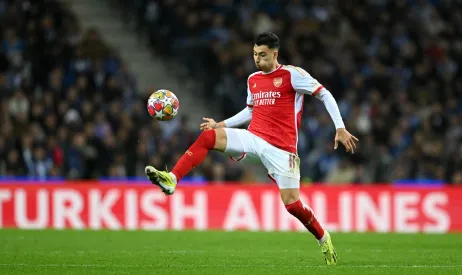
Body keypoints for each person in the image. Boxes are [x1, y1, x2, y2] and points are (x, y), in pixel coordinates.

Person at [145, 32, 359, 265]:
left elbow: (324, 94)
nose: (258, 59)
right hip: (254, 136)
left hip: (282, 149)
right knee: (208, 137)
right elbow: (250, 111)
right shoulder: (253, 79)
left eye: (263, 55)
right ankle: (172, 178)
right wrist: (221, 124)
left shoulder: (293, 75)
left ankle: (322, 237)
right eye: (255, 54)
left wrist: (340, 127)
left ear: (274, 54)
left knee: (293, 205)